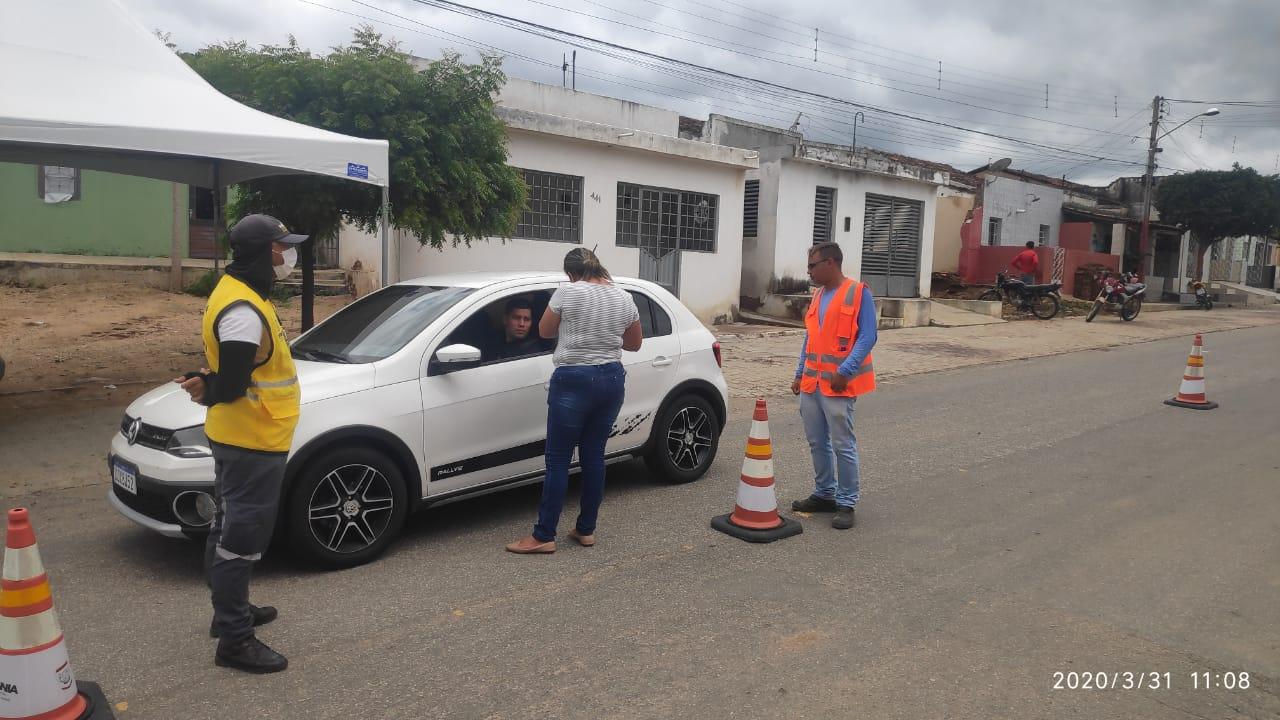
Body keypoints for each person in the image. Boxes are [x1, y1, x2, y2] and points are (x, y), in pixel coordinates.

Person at [174, 213, 305, 674]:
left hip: (241, 433)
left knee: (226, 525)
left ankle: (229, 611)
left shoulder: (237, 295)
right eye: (282, 246)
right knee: (241, 538)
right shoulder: (245, 312)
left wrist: (207, 381)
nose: (288, 254)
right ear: (265, 252)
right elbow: (231, 382)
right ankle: (234, 639)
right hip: (251, 439)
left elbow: (226, 373)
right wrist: (211, 386)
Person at [506, 248, 643, 554]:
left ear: (571, 273)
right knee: (594, 455)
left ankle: (543, 536)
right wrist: (604, 336)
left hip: (573, 380)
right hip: (611, 379)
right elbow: (634, 344)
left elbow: (544, 330)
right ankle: (586, 530)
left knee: (557, 459)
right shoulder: (623, 297)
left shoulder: (567, 292)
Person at [790, 242, 877, 530]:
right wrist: (799, 373)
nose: (809, 272)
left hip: (839, 385)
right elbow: (810, 338)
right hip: (812, 383)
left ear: (831, 263)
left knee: (843, 444)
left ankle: (847, 501)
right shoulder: (817, 296)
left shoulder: (857, 292)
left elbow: (867, 336)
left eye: (813, 266)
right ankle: (824, 493)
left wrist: (846, 370)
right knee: (817, 442)